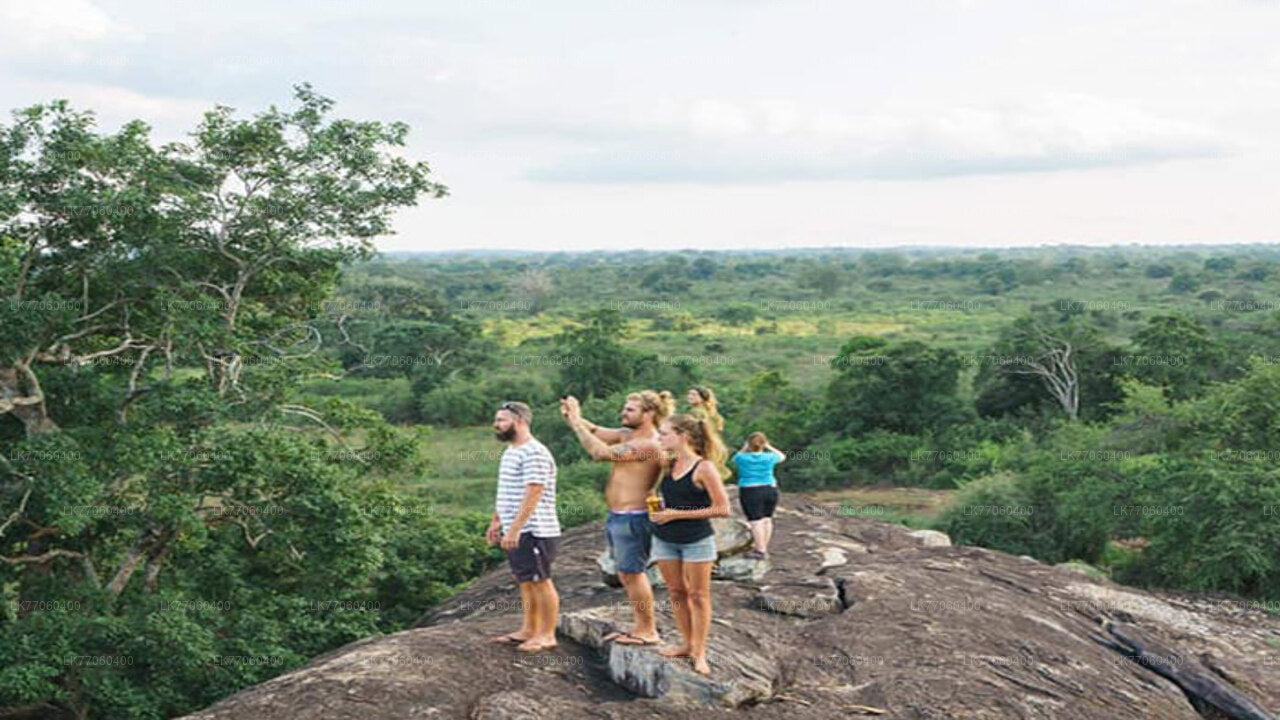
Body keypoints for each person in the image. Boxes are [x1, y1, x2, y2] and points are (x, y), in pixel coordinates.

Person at [561, 390, 674, 646]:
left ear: (650, 414)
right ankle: (641, 626)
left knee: (633, 573)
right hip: (618, 516)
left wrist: (577, 422)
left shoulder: (649, 443)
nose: (623, 412)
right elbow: (595, 430)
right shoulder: (627, 435)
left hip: (634, 517)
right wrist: (573, 415)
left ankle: (647, 630)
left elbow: (600, 452)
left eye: (630, 409)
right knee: (626, 574)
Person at [649, 413, 731, 676]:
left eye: (664, 433)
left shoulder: (704, 468)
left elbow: (722, 508)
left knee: (698, 595)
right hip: (665, 539)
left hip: (697, 540)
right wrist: (659, 510)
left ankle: (700, 651)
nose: (659, 437)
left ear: (682, 436)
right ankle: (686, 643)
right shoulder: (667, 465)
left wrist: (676, 513)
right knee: (675, 592)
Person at [485, 401, 561, 653]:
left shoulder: (534, 452)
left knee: (541, 580)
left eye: (502, 420)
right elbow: (506, 491)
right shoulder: (511, 451)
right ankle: (529, 629)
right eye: (496, 420)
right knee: (525, 580)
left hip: (535, 529)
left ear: (519, 421)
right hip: (516, 527)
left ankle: (547, 634)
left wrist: (516, 528)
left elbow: (534, 491)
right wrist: (497, 522)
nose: (497, 425)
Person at [730, 432, 785, 559]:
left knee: (756, 521)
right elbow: (782, 456)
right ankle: (763, 547)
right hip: (770, 488)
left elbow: (734, 458)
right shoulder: (769, 457)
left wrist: (745, 447)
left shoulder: (742, 458)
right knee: (767, 519)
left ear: (749, 444)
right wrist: (768, 446)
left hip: (751, 490)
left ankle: (760, 550)